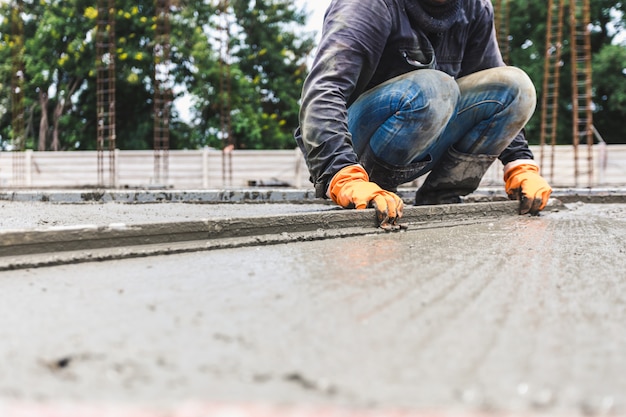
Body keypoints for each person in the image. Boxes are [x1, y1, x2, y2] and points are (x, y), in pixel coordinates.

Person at [294, 0, 552, 229]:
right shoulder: (368, 5)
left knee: (515, 87)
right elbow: (325, 91)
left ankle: (443, 194)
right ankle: (363, 184)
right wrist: (341, 171)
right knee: (435, 88)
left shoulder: (475, 8)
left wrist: (520, 164)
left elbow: (494, 88)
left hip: (419, 136)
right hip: (351, 146)